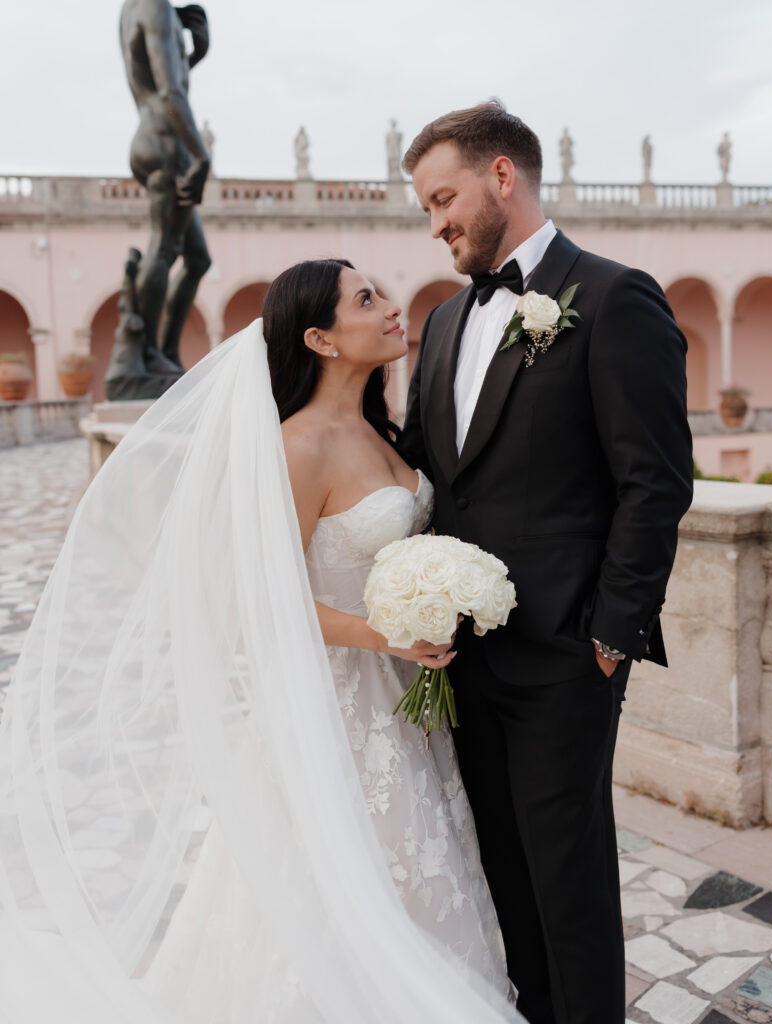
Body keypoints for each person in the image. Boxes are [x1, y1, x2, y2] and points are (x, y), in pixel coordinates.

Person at [0, 261, 519, 1024]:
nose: (389, 307)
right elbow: (256, 599)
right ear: (320, 338)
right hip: (336, 703)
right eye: (365, 299)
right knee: (343, 880)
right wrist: (388, 635)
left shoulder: (379, 429)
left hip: (403, 704)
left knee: (420, 874)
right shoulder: (295, 446)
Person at [401, 100, 693, 1024]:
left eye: (443, 197)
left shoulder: (613, 297)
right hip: (460, 655)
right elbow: (435, 472)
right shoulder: (444, 322)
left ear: (501, 176)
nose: (436, 222)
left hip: (566, 654)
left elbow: (655, 481)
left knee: (567, 877)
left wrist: (609, 633)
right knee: (497, 871)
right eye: (424, 208)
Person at [120, 0, 213, 372]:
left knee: (197, 258)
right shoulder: (153, 5)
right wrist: (202, 155)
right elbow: (170, 89)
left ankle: (165, 353)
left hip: (154, 134)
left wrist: (197, 53)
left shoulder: (138, 8)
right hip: (164, 141)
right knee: (163, 247)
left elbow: (161, 74)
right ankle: (146, 354)